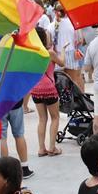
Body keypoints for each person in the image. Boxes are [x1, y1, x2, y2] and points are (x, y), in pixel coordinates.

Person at [29, 27, 64, 156]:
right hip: (49, 88)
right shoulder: (49, 53)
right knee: (55, 117)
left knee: (42, 119)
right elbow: (62, 63)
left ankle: (41, 148)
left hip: (36, 89)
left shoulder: (30, 52)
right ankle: (52, 148)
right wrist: (64, 50)